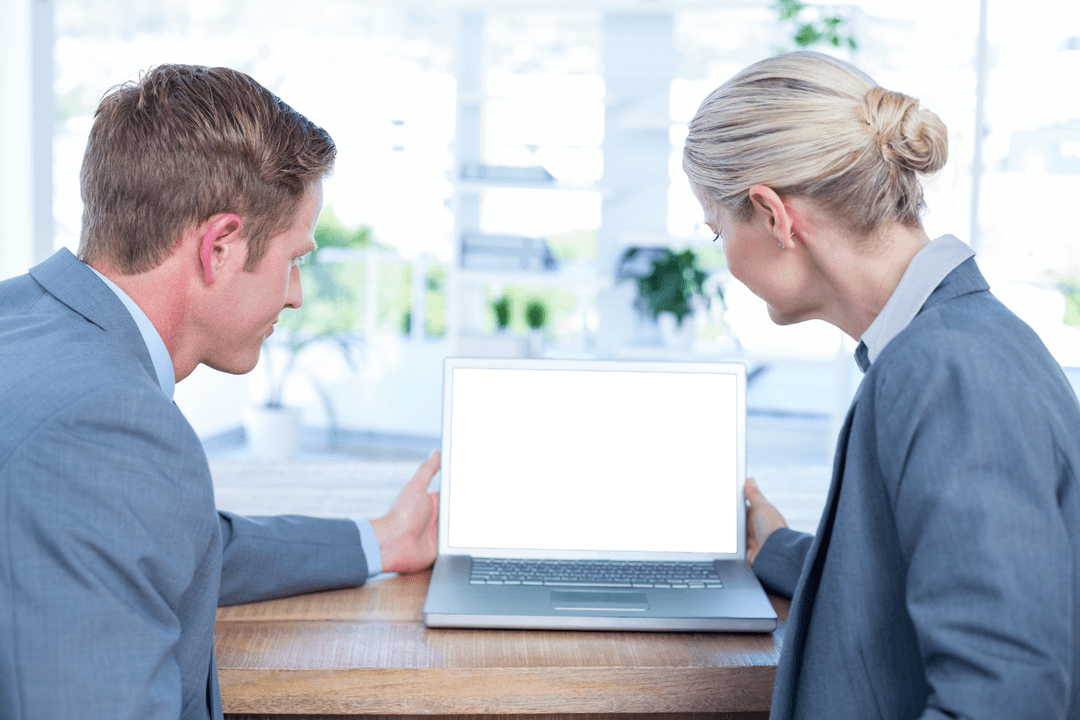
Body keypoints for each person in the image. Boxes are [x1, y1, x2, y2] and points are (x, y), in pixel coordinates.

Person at [0, 64, 440, 720]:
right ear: (220, 248)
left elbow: (161, 544)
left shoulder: (21, 320)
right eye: (294, 259)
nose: (294, 294)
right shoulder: (103, 426)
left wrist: (380, 541)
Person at [683, 51, 1080, 719]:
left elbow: (1005, 696)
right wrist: (778, 552)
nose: (722, 255)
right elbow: (927, 577)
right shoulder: (954, 344)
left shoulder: (946, 372)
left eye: (716, 227)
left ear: (774, 215)